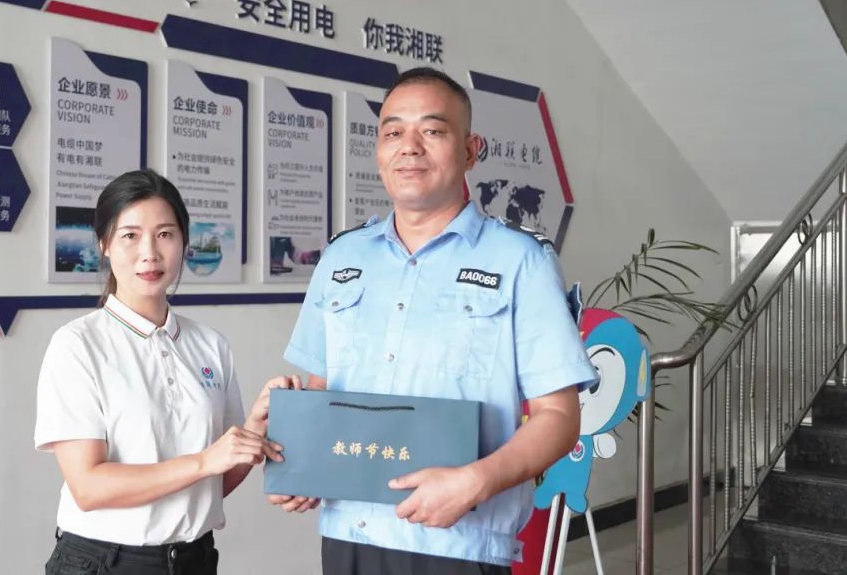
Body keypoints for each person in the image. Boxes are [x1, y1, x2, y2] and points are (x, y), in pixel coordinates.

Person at [273, 68, 598, 574]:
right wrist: (302, 458)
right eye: (393, 132)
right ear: (378, 150)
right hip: (350, 533)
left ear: (470, 150)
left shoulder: (521, 262)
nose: (410, 147)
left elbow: (558, 417)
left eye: (431, 130)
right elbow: (322, 386)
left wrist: (475, 482)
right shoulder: (341, 258)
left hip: (460, 544)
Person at [36, 169, 298, 575]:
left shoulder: (210, 345)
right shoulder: (77, 345)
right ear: (104, 244)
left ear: (184, 243)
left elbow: (212, 485)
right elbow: (88, 487)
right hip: (105, 563)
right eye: (130, 235)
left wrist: (253, 429)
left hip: (194, 560)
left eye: (165, 234)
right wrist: (204, 461)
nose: (150, 253)